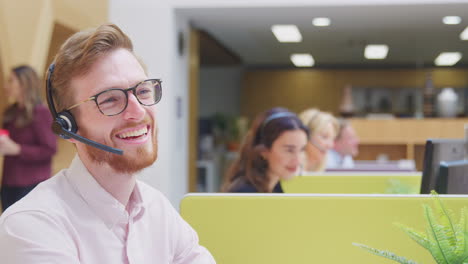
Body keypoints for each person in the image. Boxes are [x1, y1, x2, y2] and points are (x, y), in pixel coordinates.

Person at [0, 23, 215, 263]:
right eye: (110, 99)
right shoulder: (32, 225)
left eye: (142, 91)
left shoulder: (158, 211)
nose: (138, 111)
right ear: (68, 127)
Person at [0, 65, 57, 211]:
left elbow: (50, 149)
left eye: (11, 81)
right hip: (9, 182)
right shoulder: (11, 112)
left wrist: (18, 149)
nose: (7, 86)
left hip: (31, 185)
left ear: (24, 84)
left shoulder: (41, 113)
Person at [222, 107, 309, 193]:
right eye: (289, 150)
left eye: (302, 149)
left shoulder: (276, 187)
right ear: (263, 151)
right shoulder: (244, 193)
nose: (298, 160)